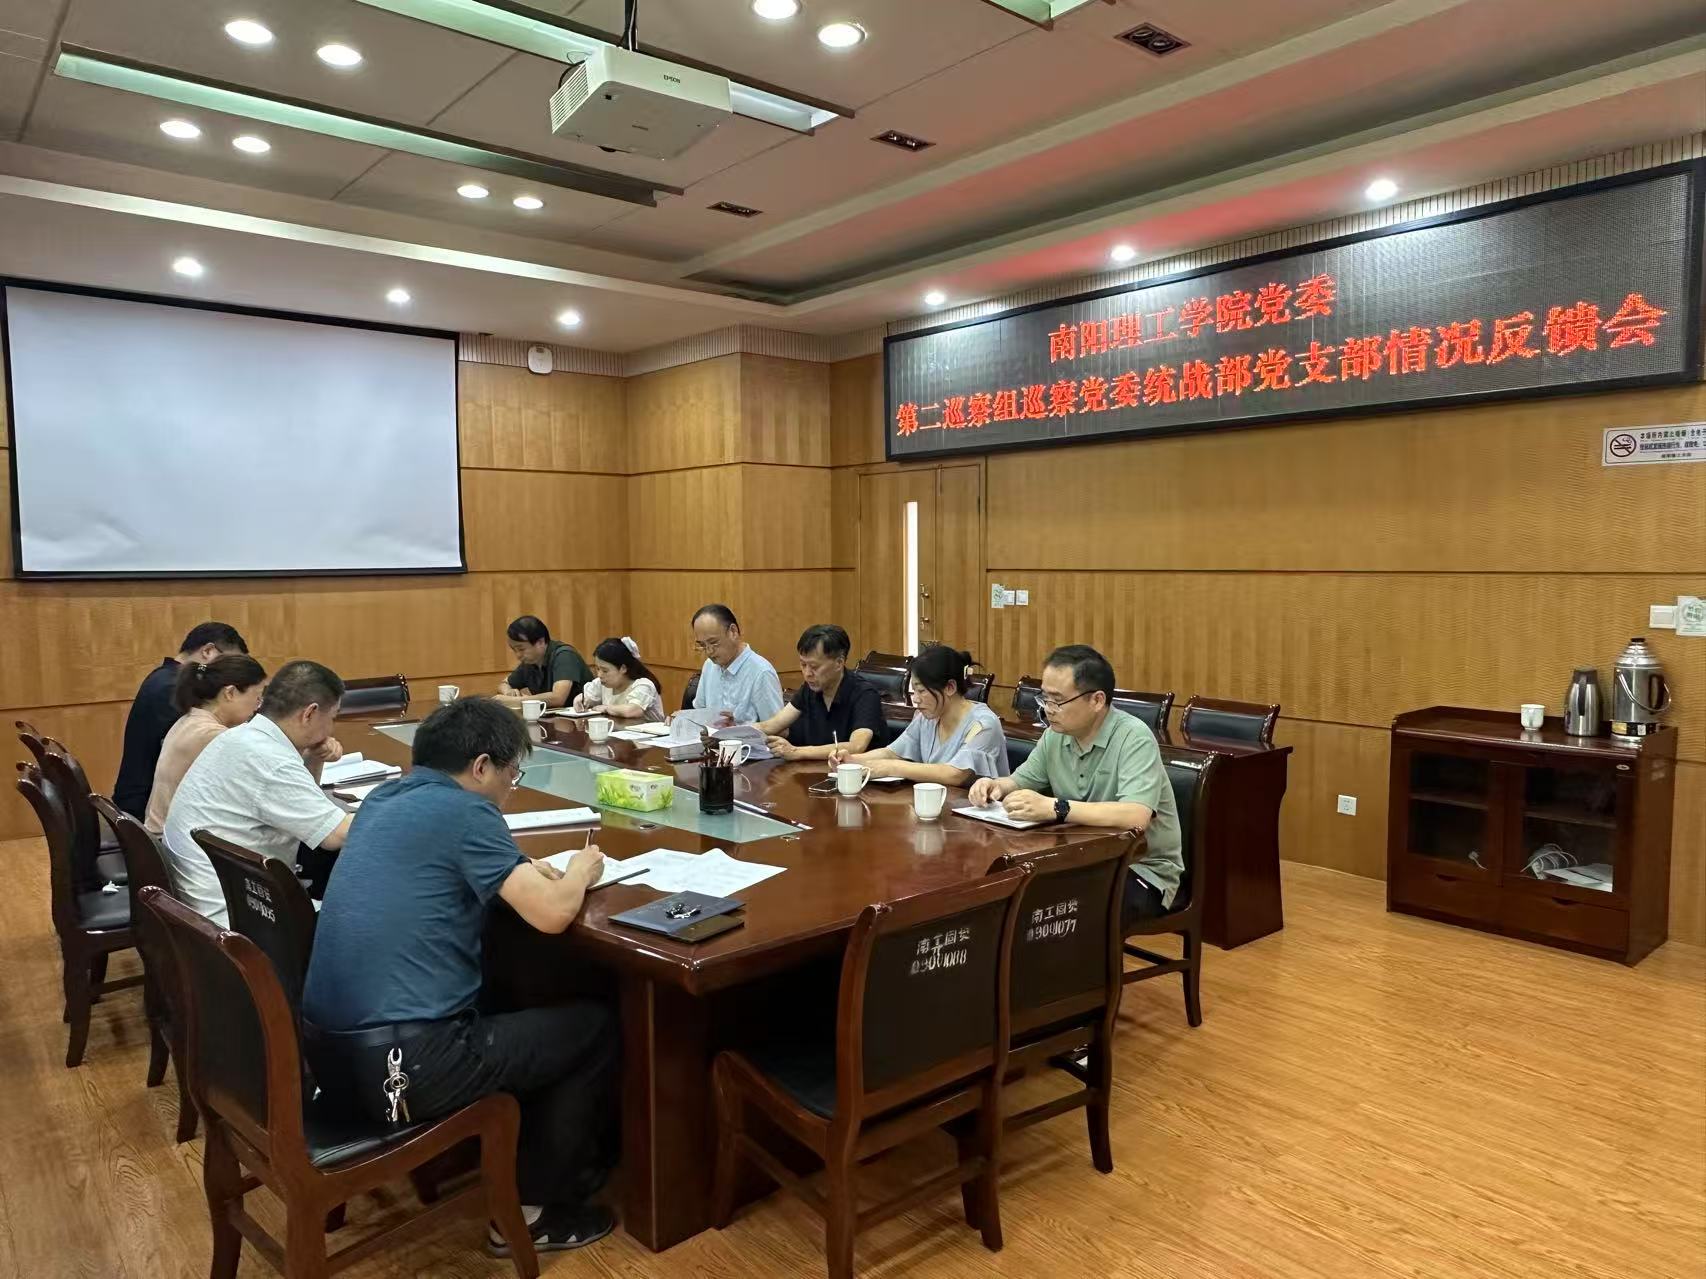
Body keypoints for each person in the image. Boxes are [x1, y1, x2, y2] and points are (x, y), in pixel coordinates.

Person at [302, 697, 616, 1256]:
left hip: (330, 1063)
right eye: (512, 773)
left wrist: (521, 869)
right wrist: (579, 871)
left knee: (512, 993)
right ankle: (533, 1212)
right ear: (481, 766)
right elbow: (552, 914)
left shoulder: (383, 800)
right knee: (593, 1027)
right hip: (404, 1071)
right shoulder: (466, 812)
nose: (510, 787)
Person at [968, 645, 1182, 926]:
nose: (1048, 709)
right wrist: (994, 785)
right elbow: (1021, 780)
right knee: (1011, 893)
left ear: (1097, 700)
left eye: (1057, 700)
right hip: (1083, 861)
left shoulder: (1134, 737)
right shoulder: (1056, 735)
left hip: (1141, 870)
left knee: (1053, 907)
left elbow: (1136, 816)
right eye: (1044, 698)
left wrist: (1057, 808)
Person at [162, 660, 353, 926]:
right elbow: (334, 835)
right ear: (309, 713)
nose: (331, 728)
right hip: (235, 919)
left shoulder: (242, 737)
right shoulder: (270, 760)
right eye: (332, 717)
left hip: (208, 905)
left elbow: (299, 803)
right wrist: (399, 810)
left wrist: (313, 757)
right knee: (367, 916)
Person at [113, 621, 249, 819]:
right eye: (229, 664)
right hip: (144, 809)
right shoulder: (172, 688)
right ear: (208, 651)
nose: (231, 676)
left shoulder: (164, 677)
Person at [831, 645, 1007, 785]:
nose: (915, 699)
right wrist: (852, 760)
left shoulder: (983, 724)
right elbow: (893, 753)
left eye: (921, 691)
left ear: (950, 687)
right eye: (913, 691)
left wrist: (890, 768)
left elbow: (955, 774)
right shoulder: (928, 716)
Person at [143, 654, 268, 834]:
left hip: (162, 836)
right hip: (178, 842)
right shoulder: (213, 734)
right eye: (257, 697)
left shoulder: (189, 720)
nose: (258, 707)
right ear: (230, 693)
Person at [756, 624, 886, 761]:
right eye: (803, 664)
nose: (807, 673)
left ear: (839, 663)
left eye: (814, 666)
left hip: (857, 772)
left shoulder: (865, 694)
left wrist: (796, 751)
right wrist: (740, 732)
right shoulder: (809, 688)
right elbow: (772, 725)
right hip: (813, 769)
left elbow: (857, 746)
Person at [686, 603, 784, 725]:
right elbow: (700, 713)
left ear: (733, 631)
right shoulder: (709, 665)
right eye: (702, 645)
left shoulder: (761, 672)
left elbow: (780, 730)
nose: (709, 652)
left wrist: (738, 729)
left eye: (714, 642)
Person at [497, 616, 591, 709]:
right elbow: (504, 684)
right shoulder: (529, 662)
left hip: (585, 715)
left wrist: (516, 701)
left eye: (521, 649)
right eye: (514, 650)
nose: (518, 655)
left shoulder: (564, 655)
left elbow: (558, 698)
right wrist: (508, 692)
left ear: (540, 642)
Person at [572, 637, 664, 722]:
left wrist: (606, 708)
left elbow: (632, 711)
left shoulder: (644, 685)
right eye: (597, 669)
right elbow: (587, 697)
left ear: (623, 668)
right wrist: (580, 699)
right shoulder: (602, 683)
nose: (599, 675)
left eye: (605, 670)